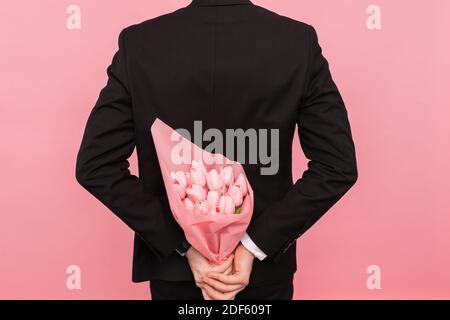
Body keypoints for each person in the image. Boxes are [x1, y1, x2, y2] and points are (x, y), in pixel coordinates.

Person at [76, 0, 357, 300]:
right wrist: (254, 246)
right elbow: (336, 166)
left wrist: (183, 245)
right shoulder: (296, 42)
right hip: (263, 273)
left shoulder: (140, 44)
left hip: (176, 273)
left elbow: (97, 165)